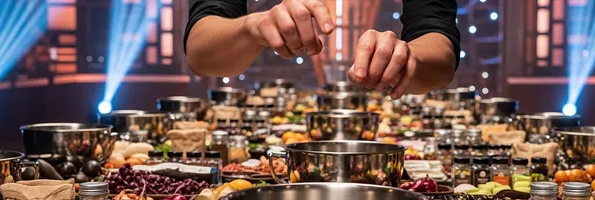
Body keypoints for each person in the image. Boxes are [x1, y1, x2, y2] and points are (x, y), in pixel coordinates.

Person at [185, 0, 460, 99]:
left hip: (390, 112)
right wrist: (251, 27)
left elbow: (439, 42)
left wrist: (408, 57)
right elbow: (200, 53)